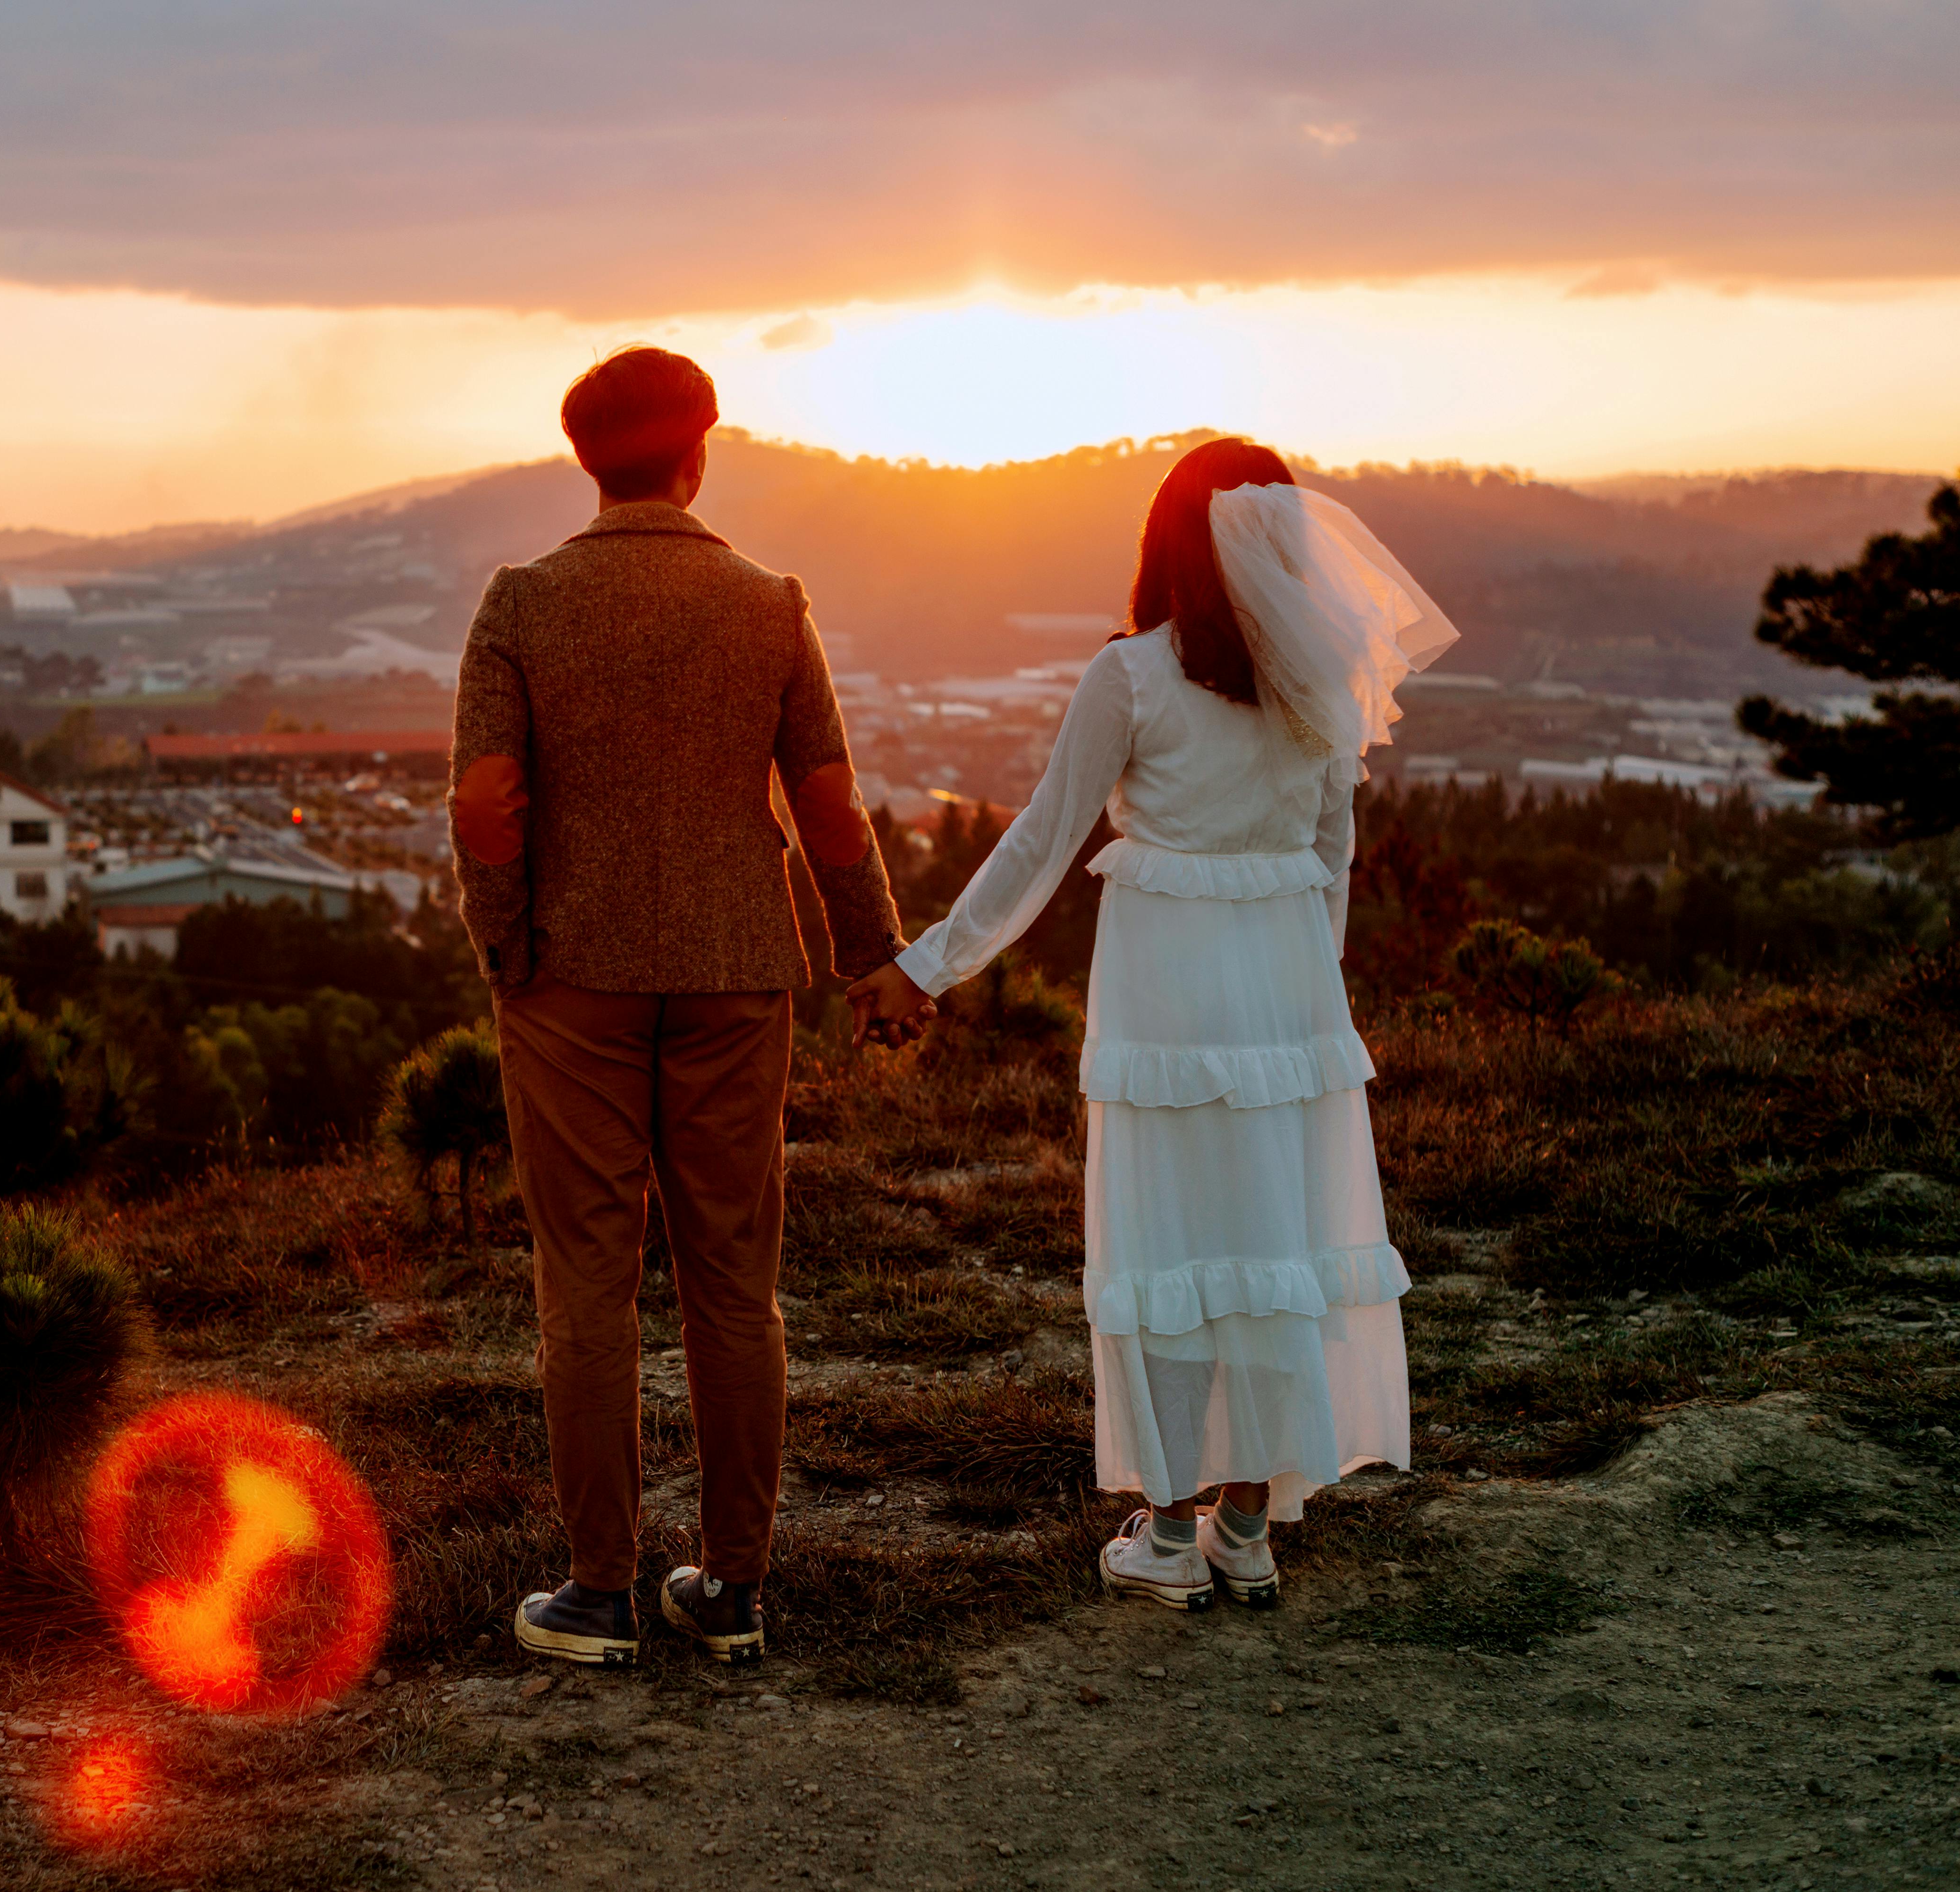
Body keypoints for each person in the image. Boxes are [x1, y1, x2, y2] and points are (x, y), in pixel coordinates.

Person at [848, 437, 1454, 1608]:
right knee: (1275, 1244)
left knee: (1171, 1244)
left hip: (1168, 994)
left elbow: (1043, 838)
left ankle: (1170, 1533)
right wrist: (1304, 993)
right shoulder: (1323, 682)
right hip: (1286, 992)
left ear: (1165, 543)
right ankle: (1249, 1525)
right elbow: (1334, 856)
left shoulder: (1132, 675)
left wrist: (928, 968)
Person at [450, 346, 918, 1668]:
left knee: (586, 1283)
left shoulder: (522, 603)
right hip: (735, 967)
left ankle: (599, 1592)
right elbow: (826, 806)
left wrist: (507, 948)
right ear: (699, 449)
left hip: (570, 974)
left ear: (585, 460)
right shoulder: (770, 603)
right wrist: (871, 949)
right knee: (734, 1281)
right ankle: (733, 1588)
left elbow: (488, 805)